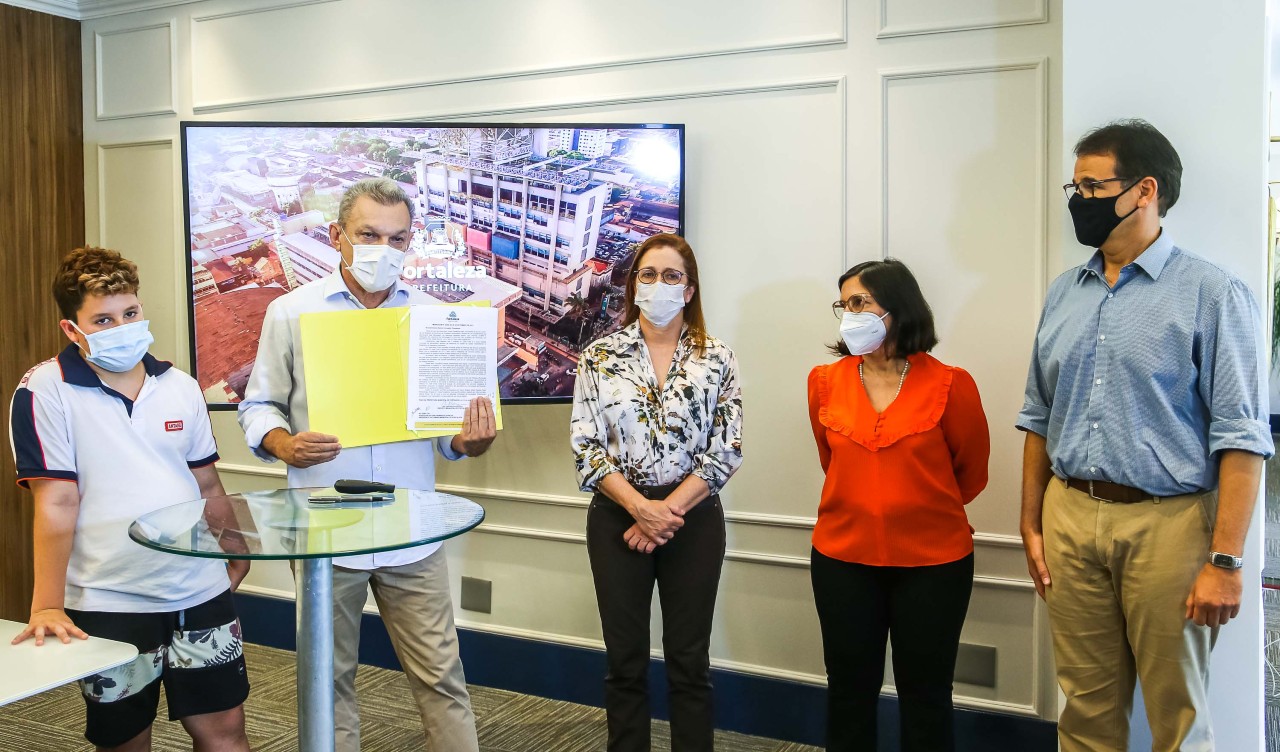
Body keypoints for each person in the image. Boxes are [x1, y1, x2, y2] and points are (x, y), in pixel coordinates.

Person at [1017, 119, 1274, 751]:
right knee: (1084, 707)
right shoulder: (1063, 294)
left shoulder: (1212, 294)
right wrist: (1031, 522)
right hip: (1070, 515)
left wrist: (1225, 561)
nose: (1078, 200)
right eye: (1074, 187)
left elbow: (1242, 437)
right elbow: (1038, 415)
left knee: (1175, 716)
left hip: (1170, 525)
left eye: (1091, 185)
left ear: (1144, 190)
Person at [238, 178, 496, 752]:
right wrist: (283, 443)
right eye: (368, 234)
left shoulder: (437, 319)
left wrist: (469, 441)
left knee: (442, 679)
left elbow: (446, 440)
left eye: (397, 237)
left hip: (413, 528)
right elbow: (258, 404)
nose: (384, 248)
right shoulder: (291, 312)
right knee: (327, 683)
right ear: (337, 237)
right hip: (327, 529)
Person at [8, 247, 250, 752]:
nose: (122, 326)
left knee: (225, 734)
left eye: (130, 313)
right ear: (72, 329)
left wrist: (235, 544)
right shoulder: (44, 390)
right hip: (110, 600)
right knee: (124, 742)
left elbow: (207, 484)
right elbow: (55, 502)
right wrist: (48, 603)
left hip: (198, 590)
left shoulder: (180, 386)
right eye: (103, 319)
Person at [806, 258, 989, 752]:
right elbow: (834, 463)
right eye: (843, 304)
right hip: (843, 560)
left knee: (926, 696)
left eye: (860, 302)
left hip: (934, 565)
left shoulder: (952, 384)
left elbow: (970, 475)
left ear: (898, 308)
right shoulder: (824, 381)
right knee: (848, 693)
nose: (849, 314)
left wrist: (911, 505)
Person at [570, 233, 743, 752]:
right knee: (624, 662)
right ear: (634, 284)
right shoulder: (599, 356)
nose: (659, 285)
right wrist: (641, 509)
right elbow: (586, 446)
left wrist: (666, 512)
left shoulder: (717, 357)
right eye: (648, 275)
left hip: (693, 520)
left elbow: (727, 448)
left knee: (690, 662)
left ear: (689, 290)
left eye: (672, 277)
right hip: (617, 517)